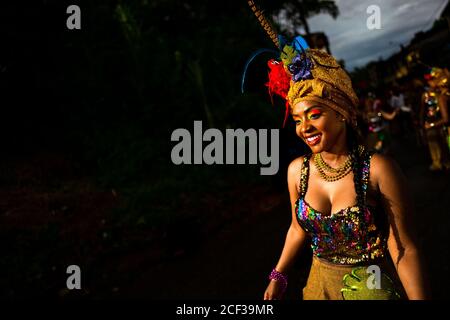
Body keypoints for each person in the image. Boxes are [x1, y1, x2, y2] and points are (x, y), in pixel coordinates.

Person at [260, 44, 430, 301]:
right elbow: (297, 229)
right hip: (318, 288)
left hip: (370, 290)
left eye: (314, 115)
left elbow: (403, 247)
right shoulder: (297, 171)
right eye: (297, 120)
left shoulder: (377, 168)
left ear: (341, 114)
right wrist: (278, 276)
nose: (304, 127)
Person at [420, 67, 450, 171]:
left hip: (441, 122)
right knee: (433, 144)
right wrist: (423, 125)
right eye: (429, 81)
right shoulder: (425, 95)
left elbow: (446, 118)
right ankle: (437, 162)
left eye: (433, 80)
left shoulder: (442, 95)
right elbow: (422, 110)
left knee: (444, 143)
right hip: (431, 121)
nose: (431, 83)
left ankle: (445, 161)